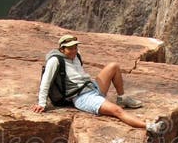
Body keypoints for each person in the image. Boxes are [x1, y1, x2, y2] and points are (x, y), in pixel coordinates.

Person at [32, 34, 168, 135]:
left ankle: (122, 97)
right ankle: (150, 127)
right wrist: (41, 103)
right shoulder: (55, 61)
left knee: (113, 66)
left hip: (91, 86)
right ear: (62, 49)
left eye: (75, 47)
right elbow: (46, 82)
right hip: (82, 97)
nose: (73, 50)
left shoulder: (76, 55)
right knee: (117, 111)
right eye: (70, 48)